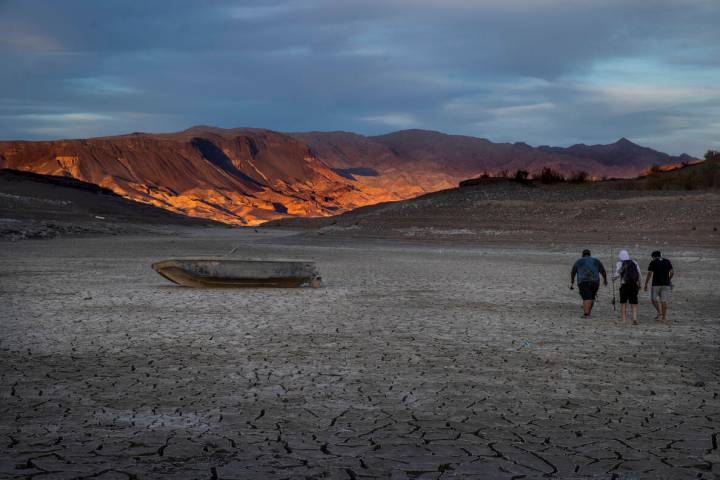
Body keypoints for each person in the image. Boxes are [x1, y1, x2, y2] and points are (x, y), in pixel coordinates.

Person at [570, 249, 608, 318]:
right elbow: (603, 270)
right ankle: (588, 312)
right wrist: (605, 280)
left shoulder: (579, 261)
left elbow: (573, 272)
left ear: (582, 254)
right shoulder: (596, 260)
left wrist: (572, 281)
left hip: (583, 281)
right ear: (590, 254)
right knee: (592, 297)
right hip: (595, 281)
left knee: (586, 298)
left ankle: (586, 314)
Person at [613, 249, 641, 324]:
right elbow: (639, 273)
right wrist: (640, 284)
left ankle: (623, 319)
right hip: (634, 285)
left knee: (623, 303)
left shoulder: (619, 263)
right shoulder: (634, 262)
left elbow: (617, 273)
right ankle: (634, 319)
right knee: (634, 303)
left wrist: (613, 278)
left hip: (624, 285)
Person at [645, 250, 674, 322]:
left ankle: (659, 312)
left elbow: (649, 273)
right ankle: (664, 317)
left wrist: (646, 283)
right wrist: (669, 279)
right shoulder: (667, 261)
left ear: (653, 257)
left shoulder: (653, 262)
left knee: (653, 299)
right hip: (666, 284)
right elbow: (672, 272)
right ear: (660, 255)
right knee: (664, 301)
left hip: (656, 284)